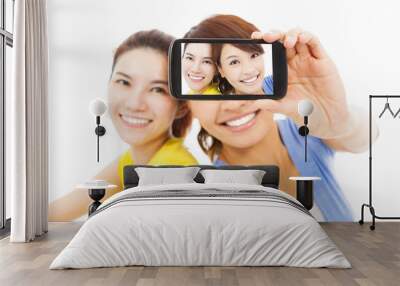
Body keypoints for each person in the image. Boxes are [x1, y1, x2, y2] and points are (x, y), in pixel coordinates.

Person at [186, 14, 379, 221]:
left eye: (252, 56)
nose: (235, 103)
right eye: (210, 93)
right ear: (189, 106)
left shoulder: (300, 131)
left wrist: (342, 123)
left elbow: (368, 135)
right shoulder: (207, 197)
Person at [49, 30, 198, 221]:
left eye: (157, 89)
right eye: (124, 82)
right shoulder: (134, 157)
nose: (134, 104)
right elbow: (64, 208)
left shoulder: (173, 164)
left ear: (181, 107)